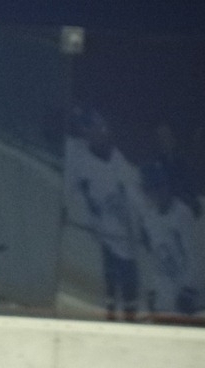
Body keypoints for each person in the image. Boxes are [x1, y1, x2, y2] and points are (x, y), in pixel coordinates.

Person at [63, 107, 142, 321]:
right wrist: (64, 209)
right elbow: (68, 186)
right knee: (111, 287)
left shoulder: (119, 163)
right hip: (104, 236)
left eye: (101, 127)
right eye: (92, 127)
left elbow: (136, 200)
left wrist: (142, 228)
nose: (100, 132)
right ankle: (111, 318)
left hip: (125, 239)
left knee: (129, 289)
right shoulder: (78, 155)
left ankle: (130, 320)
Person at [137, 161, 205, 326]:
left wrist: (189, 290)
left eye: (161, 186)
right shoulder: (148, 218)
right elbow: (152, 258)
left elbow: (194, 255)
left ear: (168, 186)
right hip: (163, 296)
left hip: (186, 294)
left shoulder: (182, 214)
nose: (158, 192)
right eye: (152, 188)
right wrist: (152, 290)